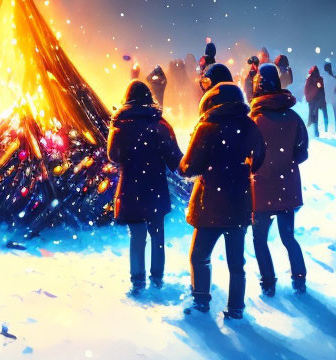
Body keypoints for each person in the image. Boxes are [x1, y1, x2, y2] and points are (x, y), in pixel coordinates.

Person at [180, 83, 265, 318]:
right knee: (237, 263)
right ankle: (236, 308)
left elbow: (188, 167)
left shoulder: (206, 128)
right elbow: (259, 157)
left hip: (210, 205)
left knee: (199, 256)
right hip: (239, 204)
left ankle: (201, 302)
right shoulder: (248, 125)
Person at [107, 80, 183, 294]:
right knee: (157, 234)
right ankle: (157, 278)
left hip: (131, 188)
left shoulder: (121, 123)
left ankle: (137, 280)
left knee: (137, 236)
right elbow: (174, 159)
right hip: (155, 188)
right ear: (149, 97)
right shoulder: (160, 125)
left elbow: (114, 156)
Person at [249, 63, 309, 296]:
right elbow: (302, 152)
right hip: (287, 187)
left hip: (261, 189)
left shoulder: (254, 120)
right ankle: (299, 279)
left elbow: (248, 154)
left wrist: (260, 167)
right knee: (288, 237)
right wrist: (285, 162)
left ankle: (268, 282)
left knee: (260, 239)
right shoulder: (293, 117)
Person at [304, 66, 328, 137]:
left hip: (311, 100)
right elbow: (321, 90)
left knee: (312, 115)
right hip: (317, 99)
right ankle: (317, 132)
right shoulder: (319, 79)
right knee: (316, 115)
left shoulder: (309, 79)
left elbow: (306, 90)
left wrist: (308, 98)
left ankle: (312, 131)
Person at [323, 62, 336, 132]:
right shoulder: (334, 79)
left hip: (325, 99)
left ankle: (326, 128)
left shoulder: (323, 78)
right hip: (333, 98)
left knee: (326, 113)